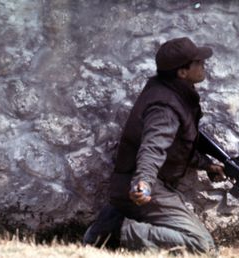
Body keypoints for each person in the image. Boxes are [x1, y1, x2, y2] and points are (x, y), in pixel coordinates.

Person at [83, 37, 225, 255]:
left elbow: (176, 146)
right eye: (197, 62)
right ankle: (119, 231)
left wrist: (206, 164)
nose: (203, 64)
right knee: (202, 247)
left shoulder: (168, 90)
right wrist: (144, 182)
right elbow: (153, 147)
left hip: (141, 184)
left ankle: (115, 218)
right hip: (146, 187)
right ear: (182, 72)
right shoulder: (165, 106)